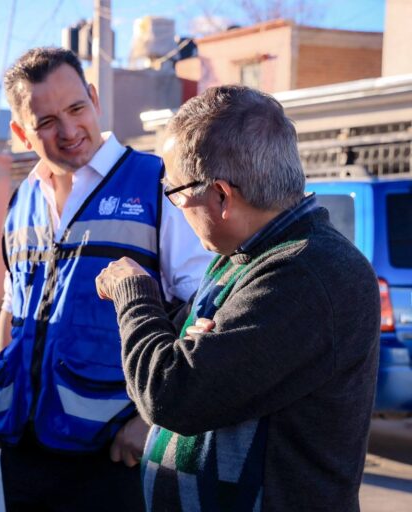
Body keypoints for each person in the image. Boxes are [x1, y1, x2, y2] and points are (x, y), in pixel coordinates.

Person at [95, 85, 380, 511]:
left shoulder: (308, 273)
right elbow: (181, 354)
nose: (175, 206)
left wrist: (134, 294)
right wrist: (195, 348)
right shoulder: (245, 256)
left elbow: (170, 392)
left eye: (175, 192)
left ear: (221, 195)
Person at [0, 46, 211, 511]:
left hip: (114, 455)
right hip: (23, 452)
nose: (68, 131)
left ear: (94, 98)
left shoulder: (157, 185)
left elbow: (206, 314)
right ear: (21, 132)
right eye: (47, 121)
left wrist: (153, 422)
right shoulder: (22, 199)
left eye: (76, 108)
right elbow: (13, 307)